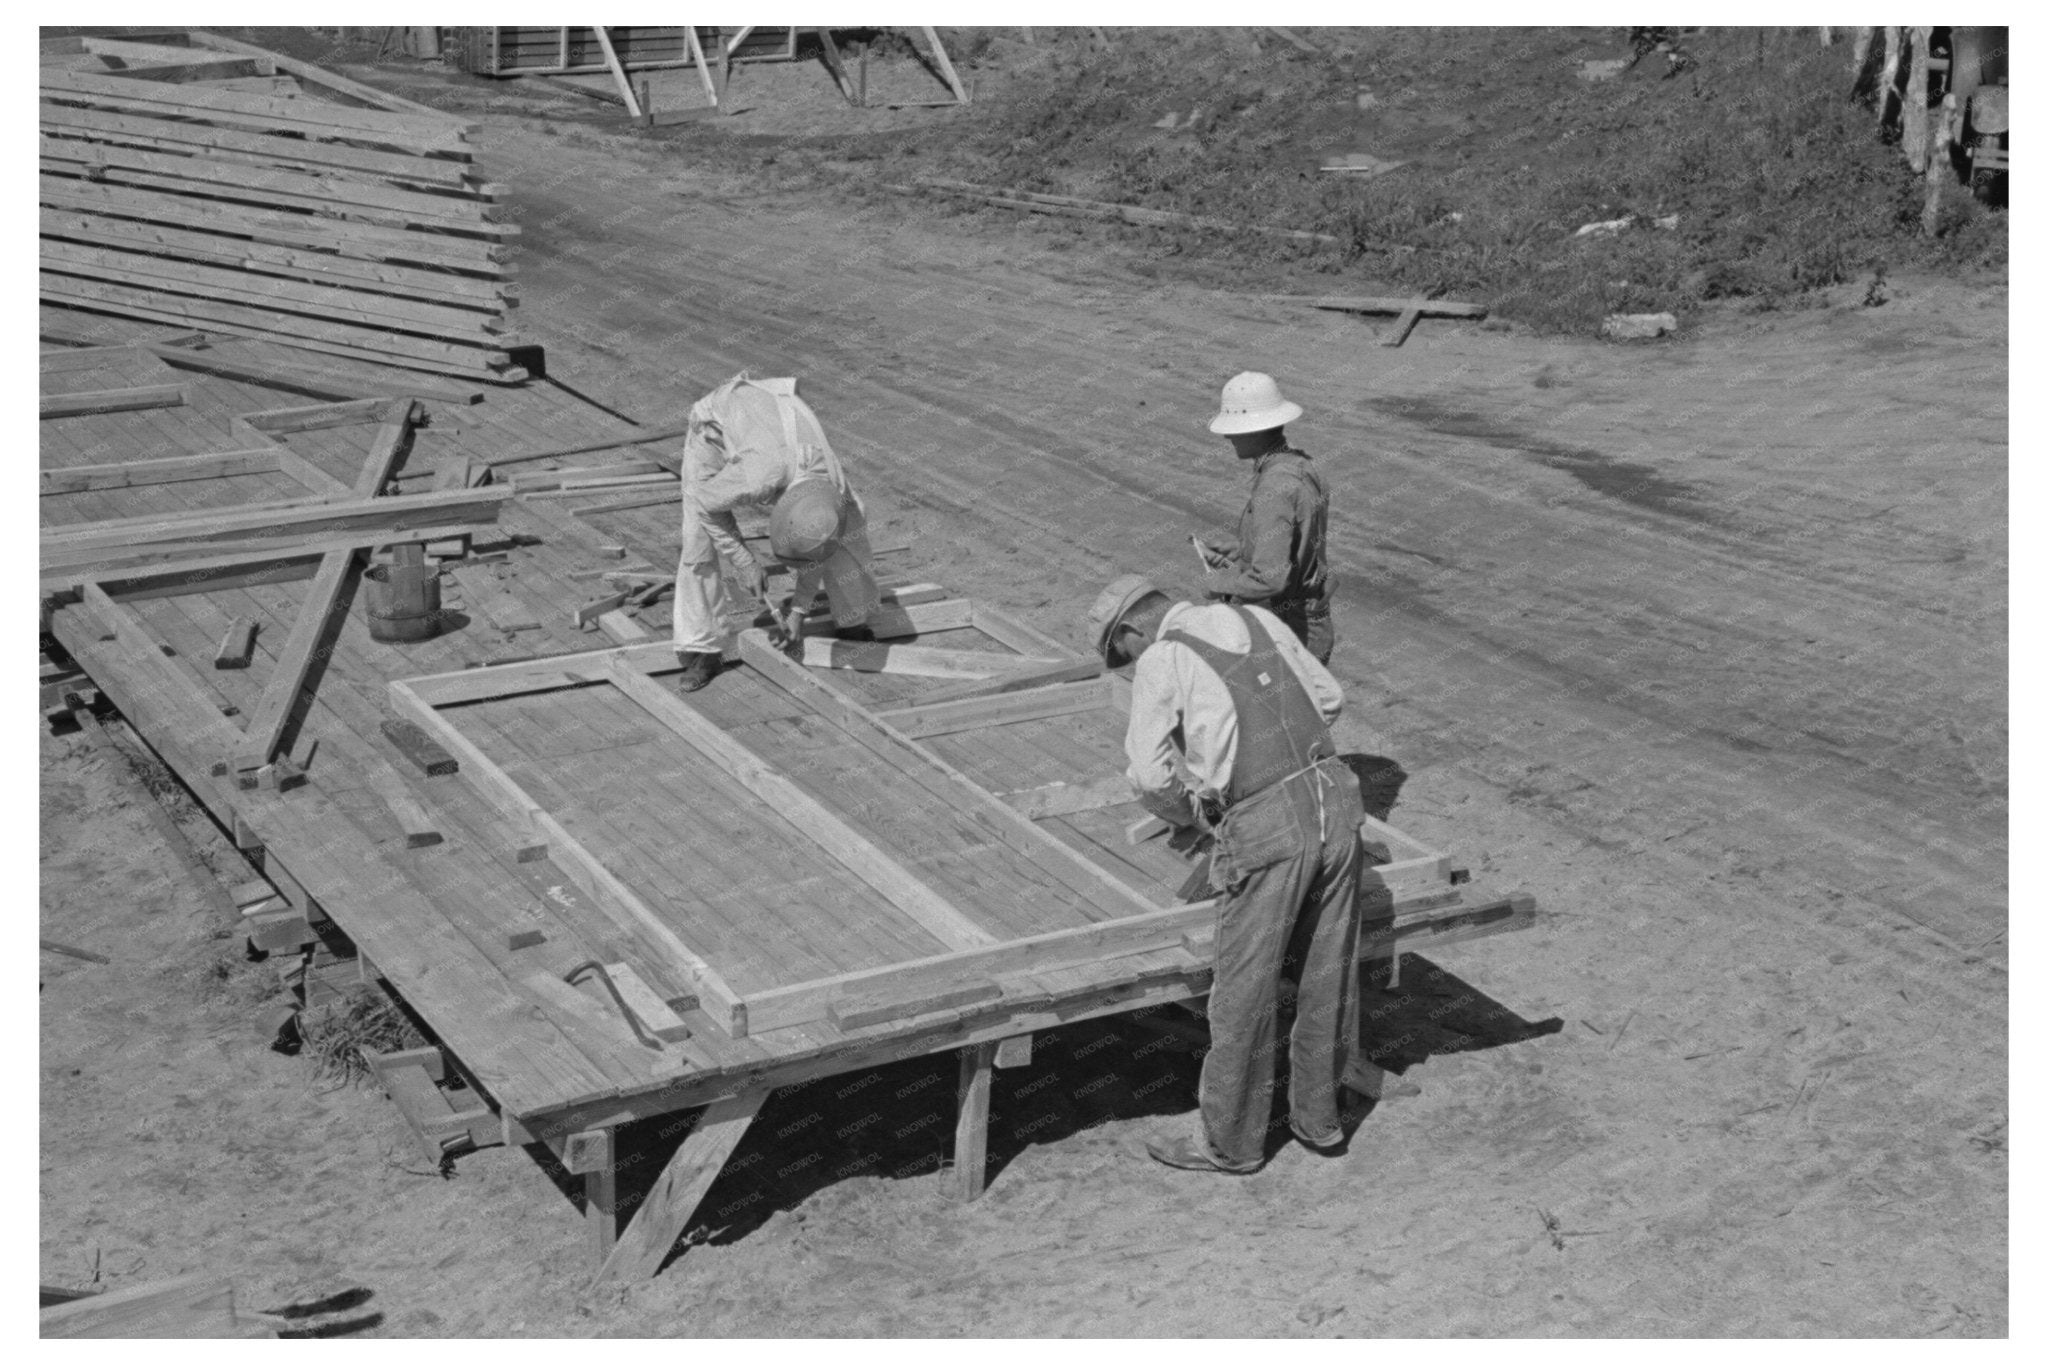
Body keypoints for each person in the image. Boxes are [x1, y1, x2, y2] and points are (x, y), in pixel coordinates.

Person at [1087, 573, 1366, 1173]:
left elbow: (1148, 775)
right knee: (1326, 971)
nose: (1129, 666)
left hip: (1269, 827)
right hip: (1337, 802)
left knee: (1245, 984)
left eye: (1122, 654)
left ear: (1133, 629)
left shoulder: (1163, 657)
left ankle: (1232, 1144)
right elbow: (1329, 699)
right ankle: (1320, 1120)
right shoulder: (1255, 618)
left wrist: (1193, 810)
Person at [671, 373, 881, 690]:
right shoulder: (759, 477)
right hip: (713, 430)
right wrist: (745, 562)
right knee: (697, 541)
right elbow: (706, 504)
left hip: (772, 427)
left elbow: (819, 542)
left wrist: (797, 611)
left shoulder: (832, 486)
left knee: (848, 527)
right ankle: (703, 648)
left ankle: (852, 624)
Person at [1195, 372, 1336, 664]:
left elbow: (1270, 580)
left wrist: (1219, 584)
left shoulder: (1274, 486)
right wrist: (1246, 549)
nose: (1228, 436)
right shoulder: (1302, 465)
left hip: (1290, 630)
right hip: (1310, 619)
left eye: (1235, 429)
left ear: (1256, 430)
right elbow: (1297, 542)